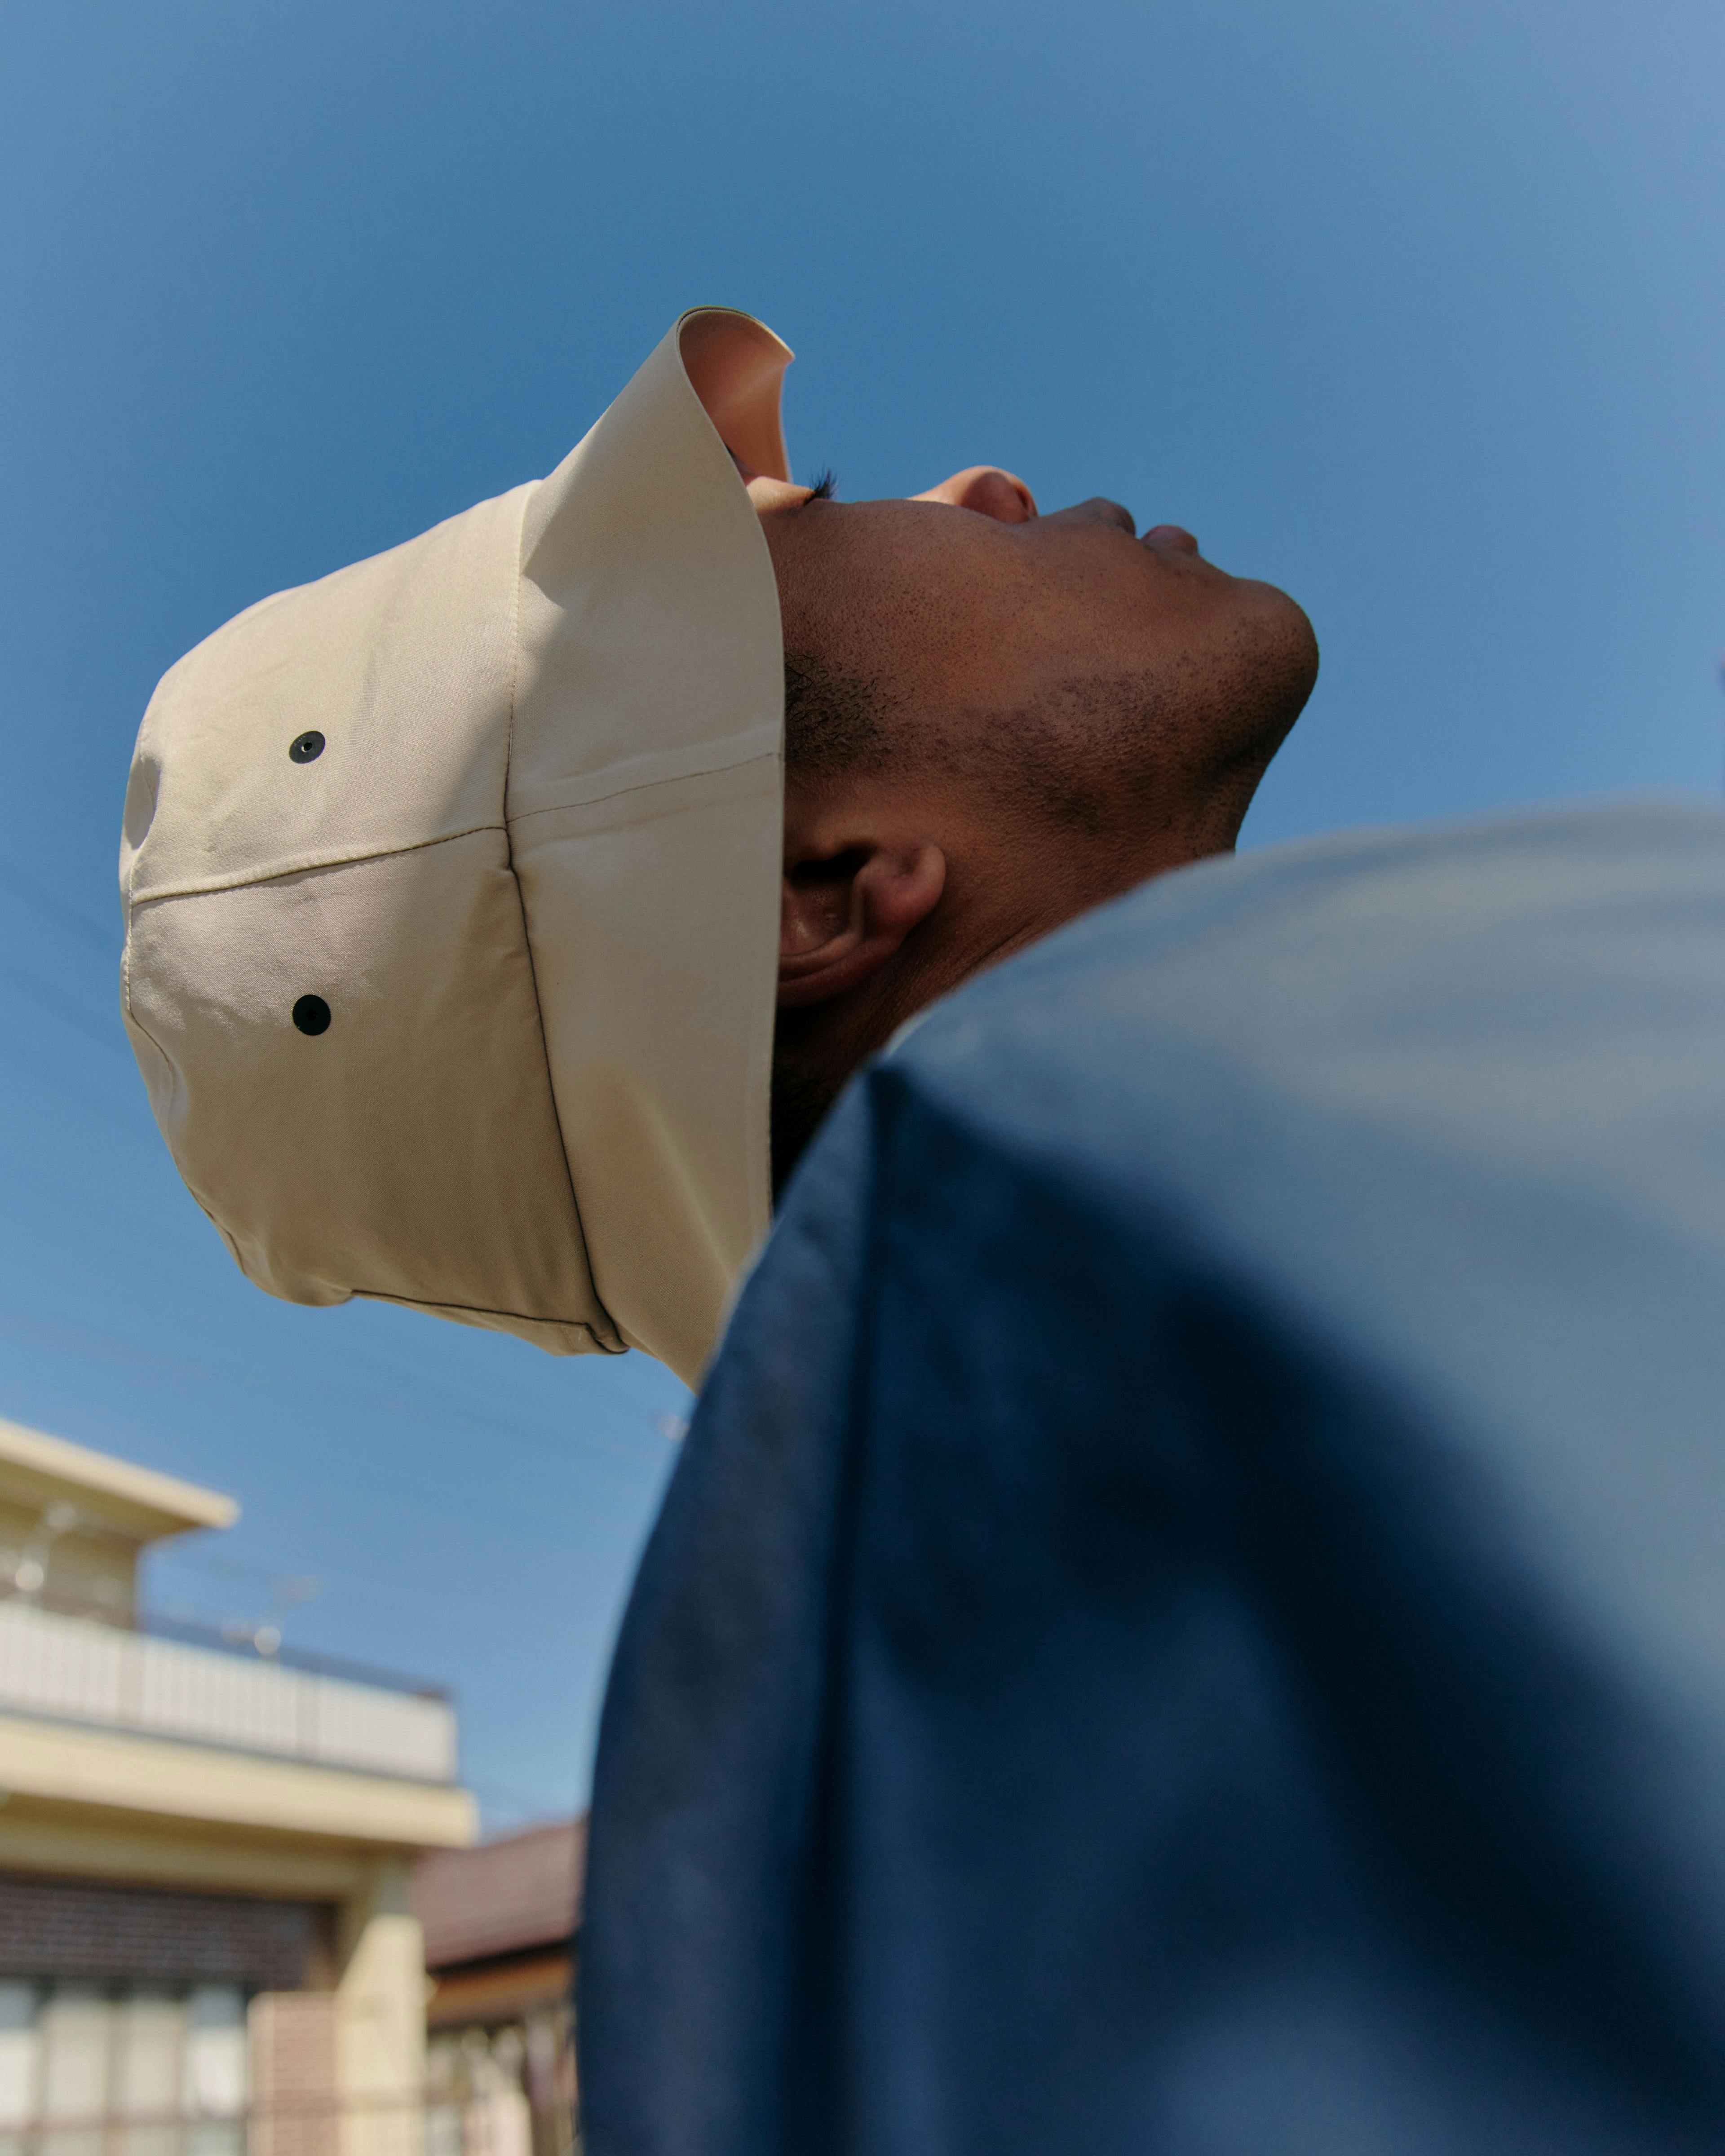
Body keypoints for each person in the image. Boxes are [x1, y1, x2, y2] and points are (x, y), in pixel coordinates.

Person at [124, 309, 1725, 2151]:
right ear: (822, 889)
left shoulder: (782, 1819)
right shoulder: (1219, 1181)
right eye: (818, 525)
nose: (988, 483)